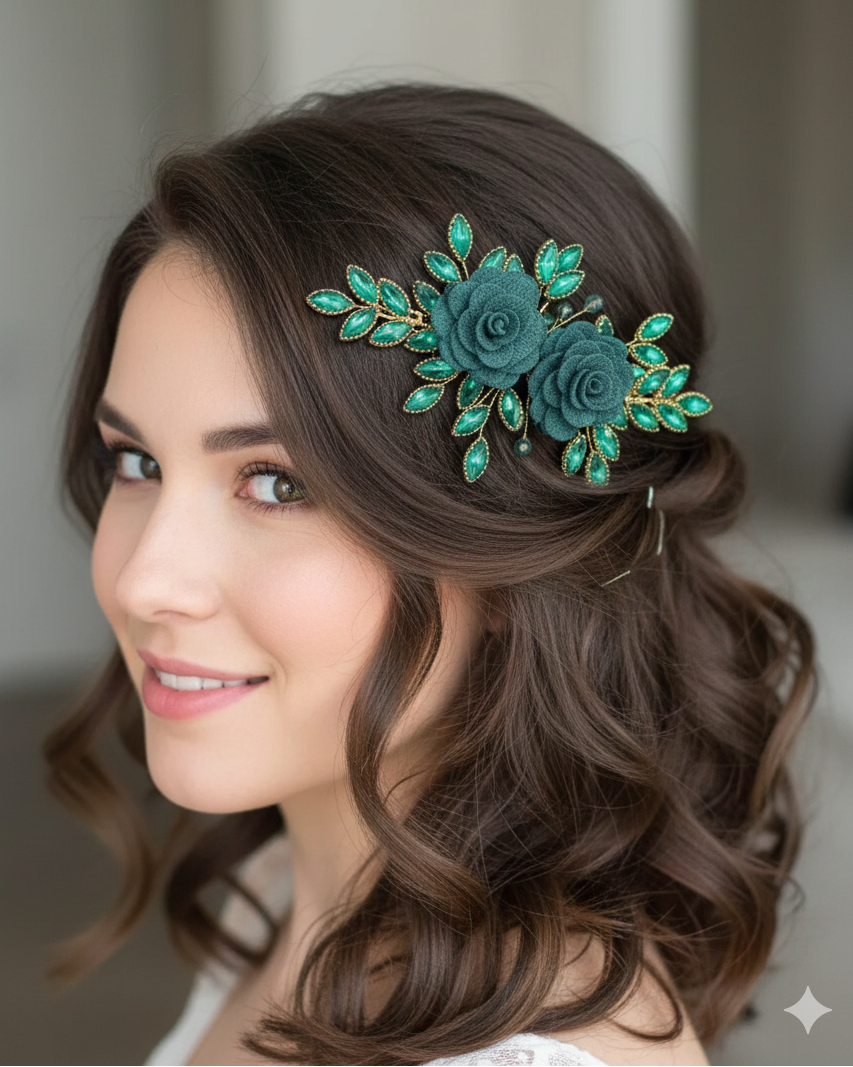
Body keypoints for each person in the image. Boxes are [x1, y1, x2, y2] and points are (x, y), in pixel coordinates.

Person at [44, 84, 814, 1067]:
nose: (145, 580)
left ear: (512, 551)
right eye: (136, 461)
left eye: (277, 483)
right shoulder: (281, 892)